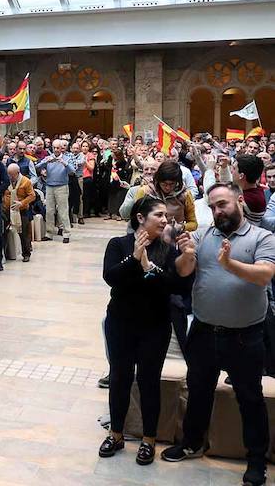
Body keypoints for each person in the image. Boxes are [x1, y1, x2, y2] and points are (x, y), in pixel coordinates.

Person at [162, 183, 275, 486]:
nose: (217, 211)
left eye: (222, 204)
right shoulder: (203, 236)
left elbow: (265, 274)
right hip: (204, 330)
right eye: (212, 207)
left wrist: (230, 264)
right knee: (198, 390)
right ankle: (192, 442)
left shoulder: (261, 237)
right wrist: (186, 253)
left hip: (244, 335)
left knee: (249, 398)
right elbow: (184, 271)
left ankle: (255, 461)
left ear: (240, 200)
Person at [99, 197, 192, 465]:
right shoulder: (118, 245)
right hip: (121, 324)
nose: (165, 220)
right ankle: (116, 433)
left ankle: (148, 439)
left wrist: (150, 269)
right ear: (140, 218)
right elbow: (111, 277)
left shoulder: (168, 250)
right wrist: (135, 259)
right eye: (159, 215)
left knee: (150, 382)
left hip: (155, 326)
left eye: (166, 216)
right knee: (120, 378)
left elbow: (176, 287)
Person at [36, 140, 76, 243]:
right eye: (54, 148)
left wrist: (64, 163)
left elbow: (73, 171)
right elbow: (37, 167)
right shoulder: (49, 158)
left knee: (63, 211)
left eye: (58, 148)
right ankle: (49, 233)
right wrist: (45, 162)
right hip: (49, 186)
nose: (56, 150)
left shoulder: (67, 158)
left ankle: (66, 233)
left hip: (62, 187)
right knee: (49, 211)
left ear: (62, 148)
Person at [2, 164, 35, 263]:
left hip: (21, 210)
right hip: (7, 209)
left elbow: (32, 196)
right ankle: (5, 253)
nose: (10, 177)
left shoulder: (26, 181)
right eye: (9, 174)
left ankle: (26, 253)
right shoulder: (6, 180)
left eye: (12, 175)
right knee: (4, 231)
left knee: (24, 233)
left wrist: (21, 203)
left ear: (18, 173)